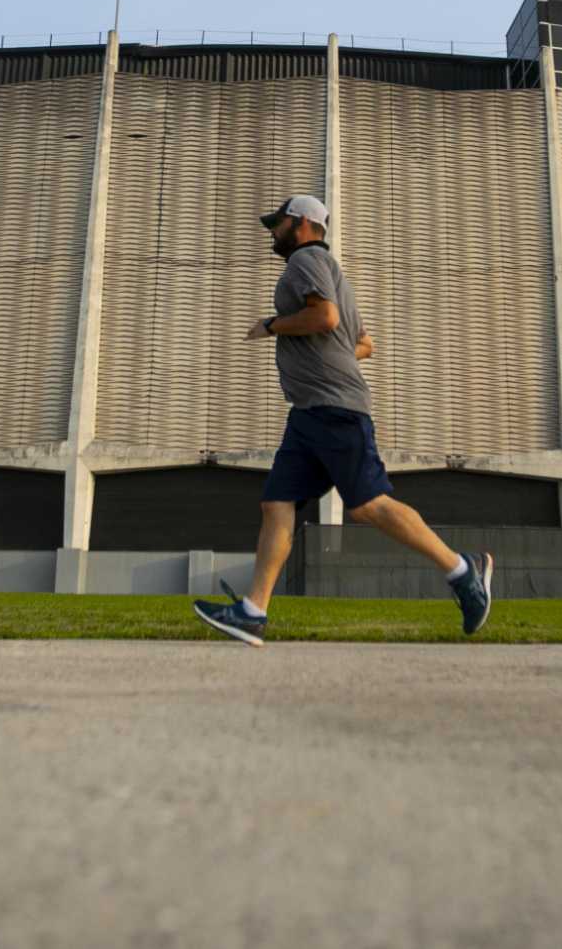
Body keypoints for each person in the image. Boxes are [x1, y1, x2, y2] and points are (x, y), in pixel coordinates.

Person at [191, 193, 493, 647]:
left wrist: (272, 325)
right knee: (277, 503)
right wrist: (328, 359)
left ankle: (463, 571)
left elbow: (325, 317)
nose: (273, 232)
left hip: (334, 408)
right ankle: (253, 612)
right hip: (309, 411)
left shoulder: (306, 260)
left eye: (279, 223)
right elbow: (365, 343)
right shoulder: (335, 275)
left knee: (367, 504)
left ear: (303, 224)